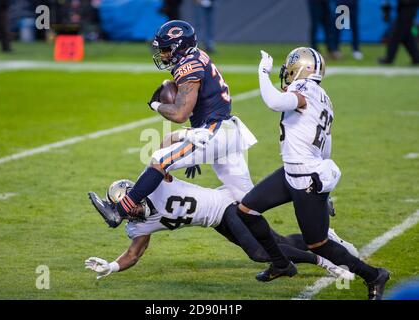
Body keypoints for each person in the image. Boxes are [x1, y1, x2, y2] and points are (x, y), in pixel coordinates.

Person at [236, 47, 390, 300]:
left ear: (301, 68)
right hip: (294, 170)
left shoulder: (305, 90)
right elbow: (325, 145)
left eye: (290, 69)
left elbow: (274, 102)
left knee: (319, 244)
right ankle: (281, 263)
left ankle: (373, 275)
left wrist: (263, 71)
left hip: (305, 177)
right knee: (247, 210)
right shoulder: (322, 95)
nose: (286, 74)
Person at [116, 20, 258, 225]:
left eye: (166, 49)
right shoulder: (198, 56)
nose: (163, 55)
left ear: (179, 46)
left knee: (160, 159)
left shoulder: (188, 65)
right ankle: (286, 247)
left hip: (215, 131)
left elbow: (180, 113)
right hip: (224, 130)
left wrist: (155, 105)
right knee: (248, 203)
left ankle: (122, 208)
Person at [85, 176, 357, 281]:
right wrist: (111, 267)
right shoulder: (137, 226)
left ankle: (326, 263)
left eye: (129, 201)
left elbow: (161, 166)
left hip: (227, 203)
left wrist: (184, 152)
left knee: (260, 253)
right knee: (279, 240)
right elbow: (134, 254)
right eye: (123, 207)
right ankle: (326, 238)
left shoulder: (155, 184)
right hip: (216, 221)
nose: (129, 209)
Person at [379, 0, 419, 65]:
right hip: (404, 7)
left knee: (396, 34)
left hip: (408, 7)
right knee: (406, 36)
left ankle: (389, 58)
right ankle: (416, 58)